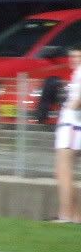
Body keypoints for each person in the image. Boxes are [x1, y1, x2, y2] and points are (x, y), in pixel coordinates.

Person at [53, 44, 81, 223]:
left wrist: (72, 106)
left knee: (63, 171)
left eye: (78, 57)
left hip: (71, 125)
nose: (74, 60)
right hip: (72, 125)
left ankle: (66, 215)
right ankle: (76, 216)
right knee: (66, 172)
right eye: (73, 57)